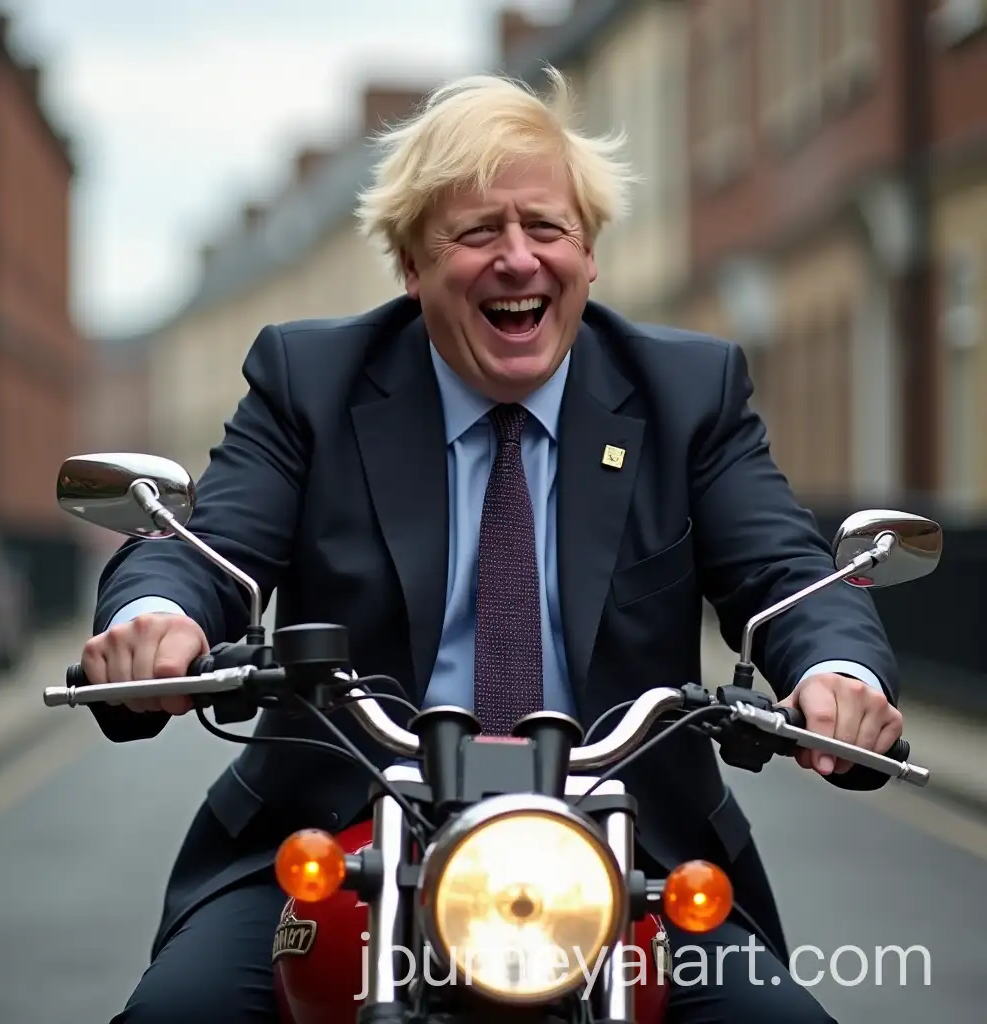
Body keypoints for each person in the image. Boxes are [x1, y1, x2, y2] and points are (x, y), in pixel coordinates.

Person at [81, 68, 903, 1023]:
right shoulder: (310, 380)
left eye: (547, 228)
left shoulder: (688, 393)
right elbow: (209, 546)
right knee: (177, 1015)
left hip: (627, 849)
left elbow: (784, 573)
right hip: (341, 836)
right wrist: (158, 618)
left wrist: (837, 669)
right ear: (411, 266)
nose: (519, 260)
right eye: (476, 234)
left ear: (589, 255)